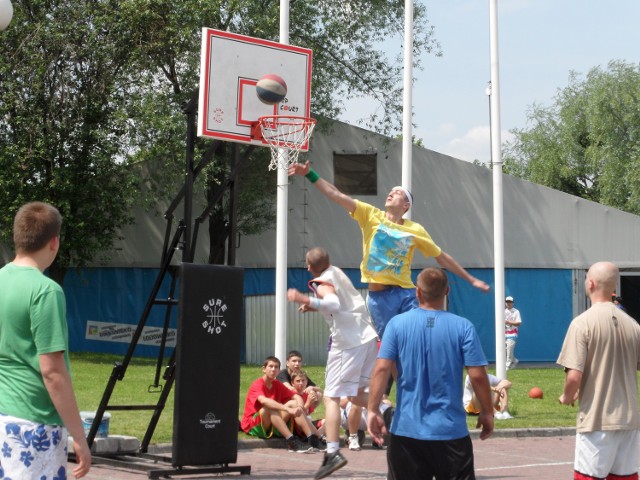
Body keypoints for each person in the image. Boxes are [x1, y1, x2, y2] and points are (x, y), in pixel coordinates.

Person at [289, 162, 490, 343]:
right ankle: (396, 382)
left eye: (398, 192)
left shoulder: (415, 229)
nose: (391, 192)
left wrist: (471, 280)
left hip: (405, 293)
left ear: (406, 205)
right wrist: (310, 174)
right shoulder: (370, 215)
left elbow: (442, 257)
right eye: (391, 190)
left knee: (419, 338)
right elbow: (336, 195)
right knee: (391, 346)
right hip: (379, 297)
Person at [367, 267, 494, 479]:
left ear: (417, 292)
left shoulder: (396, 325)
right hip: (450, 431)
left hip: (407, 431)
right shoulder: (463, 327)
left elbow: (382, 368)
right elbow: (478, 376)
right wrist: (487, 412)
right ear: (447, 292)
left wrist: (372, 410)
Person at [0, 201, 92, 479]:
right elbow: (52, 372)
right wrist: (79, 436)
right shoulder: (46, 291)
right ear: (54, 242)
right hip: (35, 423)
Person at [288, 247, 379, 479]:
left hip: (347, 343)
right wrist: (313, 306)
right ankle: (390, 413)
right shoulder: (337, 272)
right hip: (367, 337)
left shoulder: (321, 280)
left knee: (332, 397)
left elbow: (333, 305)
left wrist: (303, 298)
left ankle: (332, 453)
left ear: (311, 267)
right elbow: (341, 304)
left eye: (308, 265)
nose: (307, 268)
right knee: (358, 395)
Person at [558, 261, 640, 480]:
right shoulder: (633, 325)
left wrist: (566, 396)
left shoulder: (582, 323)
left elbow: (574, 376)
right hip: (629, 420)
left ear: (591, 284)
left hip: (597, 419)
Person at [240, 356, 323, 453]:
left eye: (276, 367)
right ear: (264, 369)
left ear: (279, 370)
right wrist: (288, 410)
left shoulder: (277, 384)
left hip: (275, 421)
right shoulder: (257, 384)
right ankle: (291, 441)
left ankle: (312, 439)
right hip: (253, 424)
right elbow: (264, 401)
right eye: (270, 366)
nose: (273, 369)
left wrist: (300, 408)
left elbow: (296, 397)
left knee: (294, 403)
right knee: (269, 407)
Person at [505, 296, 522, 370]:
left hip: (512, 333)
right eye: (507, 302)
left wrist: (509, 322)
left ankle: (507, 365)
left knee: (509, 349)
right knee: (506, 349)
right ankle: (514, 360)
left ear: (513, 303)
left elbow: (519, 323)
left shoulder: (516, 311)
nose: (508, 303)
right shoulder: (503, 312)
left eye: (510, 302)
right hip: (505, 333)